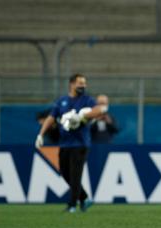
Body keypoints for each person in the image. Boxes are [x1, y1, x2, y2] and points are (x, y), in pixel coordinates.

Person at [35, 73, 108, 213]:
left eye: (84, 83)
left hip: (80, 144)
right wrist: (41, 134)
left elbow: (99, 110)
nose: (83, 86)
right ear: (72, 84)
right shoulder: (62, 101)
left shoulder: (87, 100)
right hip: (65, 143)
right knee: (64, 172)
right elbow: (51, 117)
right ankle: (85, 198)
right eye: (80, 83)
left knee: (75, 175)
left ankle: (72, 205)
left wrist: (81, 116)